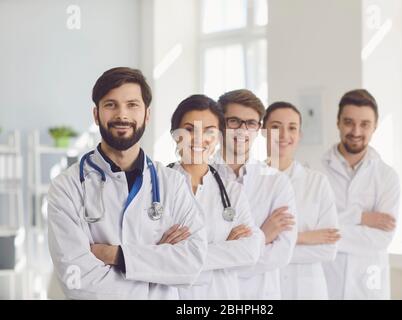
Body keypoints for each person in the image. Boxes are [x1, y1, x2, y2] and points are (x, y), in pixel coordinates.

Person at [47, 67, 207, 299]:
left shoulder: (172, 183)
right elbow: (77, 281)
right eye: (111, 104)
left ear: (147, 114)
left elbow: (192, 264)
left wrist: (117, 257)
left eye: (132, 105)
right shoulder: (66, 188)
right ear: (96, 114)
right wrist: (156, 272)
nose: (122, 115)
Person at [168, 94, 265, 299]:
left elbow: (250, 251)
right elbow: (146, 252)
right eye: (189, 129)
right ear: (175, 134)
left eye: (209, 131)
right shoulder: (156, 188)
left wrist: (178, 255)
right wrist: (225, 250)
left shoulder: (232, 192)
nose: (198, 138)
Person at [211, 89, 297, 300]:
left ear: (259, 129)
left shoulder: (277, 181)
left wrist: (221, 259)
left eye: (251, 123)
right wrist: (263, 237)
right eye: (234, 122)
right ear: (220, 125)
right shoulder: (198, 177)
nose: (243, 130)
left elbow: (282, 253)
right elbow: (192, 252)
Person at [321, 89, 400, 300]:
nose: (356, 131)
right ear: (338, 122)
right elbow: (310, 225)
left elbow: (382, 238)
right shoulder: (316, 172)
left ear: (375, 126)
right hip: (327, 282)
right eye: (348, 122)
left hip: (369, 286)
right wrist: (361, 218)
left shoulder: (387, 177)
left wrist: (327, 232)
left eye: (364, 124)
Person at [263, 101, 340, 300]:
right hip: (263, 289)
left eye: (292, 128)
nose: (284, 135)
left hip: (308, 292)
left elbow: (328, 250)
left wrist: (274, 241)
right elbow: (247, 249)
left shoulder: (317, 182)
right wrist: (306, 238)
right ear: (263, 131)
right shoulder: (249, 181)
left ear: (299, 136)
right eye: (275, 127)